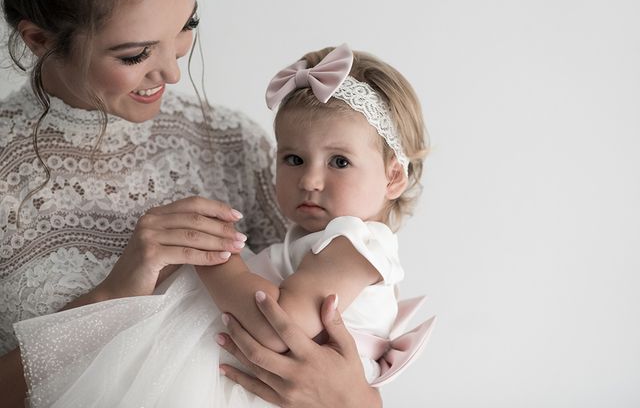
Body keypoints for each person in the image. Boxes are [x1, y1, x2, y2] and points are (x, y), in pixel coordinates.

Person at [0, 0, 383, 407]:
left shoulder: (237, 144)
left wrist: (356, 401)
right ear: (38, 39)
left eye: (187, 24)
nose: (173, 72)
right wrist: (114, 295)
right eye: (135, 54)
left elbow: (334, 333)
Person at [12, 43, 435, 407]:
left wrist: (215, 257)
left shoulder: (356, 244)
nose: (309, 179)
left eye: (339, 162)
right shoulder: (321, 240)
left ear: (393, 177)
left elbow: (276, 327)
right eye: (293, 159)